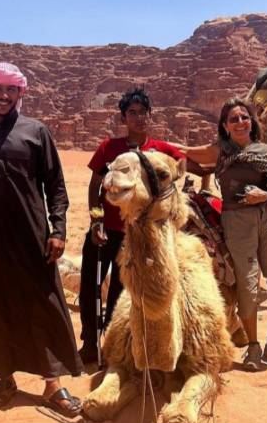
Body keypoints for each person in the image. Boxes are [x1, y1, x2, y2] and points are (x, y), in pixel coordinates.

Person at [0, 62, 84, 416]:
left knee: (45, 306)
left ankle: (53, 385)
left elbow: (55, 186)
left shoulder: (36, 132)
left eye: (11, 90)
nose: (3, 96)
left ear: (20, 94)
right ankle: (6, 378)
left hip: (33, 238)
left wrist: (57, 230)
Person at [78, 86, 208, 366]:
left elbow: (191, 167)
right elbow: (95, 185)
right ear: (124, 119)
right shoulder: (108, 148)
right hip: (105, 230)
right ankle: (90, 343)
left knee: (123, 292)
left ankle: (115, 346)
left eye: (143, 113)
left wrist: (220, 162)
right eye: (132, 113)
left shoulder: (160, 151)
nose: (138, 118)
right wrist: (96, 220)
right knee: (91, 284)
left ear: (150, 117)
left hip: (137, 236)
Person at [173, 97, 267, 372]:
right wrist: (149, 147)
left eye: (244, 117)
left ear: (251, 121)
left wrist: (264, 195)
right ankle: (253, 348)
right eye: (234, 119)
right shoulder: (220, 150)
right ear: (225, 126)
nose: (241, 122)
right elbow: (184, 151)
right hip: (237, 220)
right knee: (248, 284)